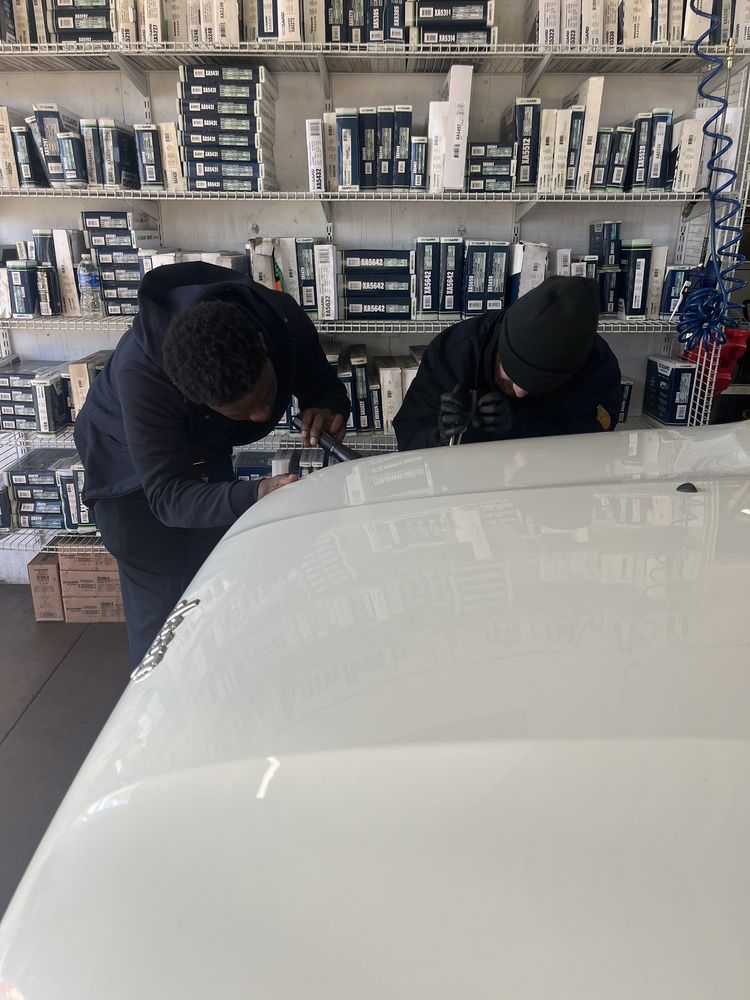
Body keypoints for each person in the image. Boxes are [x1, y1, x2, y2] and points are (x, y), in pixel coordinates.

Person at [74, 261, 350, 667]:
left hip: (205, 445)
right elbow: (168, 497)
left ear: (262, 344)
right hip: (127, 474)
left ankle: (224, 682)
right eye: (242, 413)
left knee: (219, 582)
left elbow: (321, 382)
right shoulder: (145, 376)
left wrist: (327, 406)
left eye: (266, 394)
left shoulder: (280, 318)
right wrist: (257, 493)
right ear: (193, 396)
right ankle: (161, 705)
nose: (261, 415)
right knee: (163, 625)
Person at [393, 275, 622, 450]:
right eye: (511, 375)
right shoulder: (454, 352)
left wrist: (519, 426)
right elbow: (408, 440)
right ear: (500, 347)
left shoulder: (598, 369)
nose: (519, 392)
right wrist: (442, 438)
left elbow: (592, 450)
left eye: (535, 387)